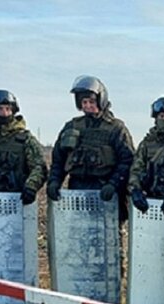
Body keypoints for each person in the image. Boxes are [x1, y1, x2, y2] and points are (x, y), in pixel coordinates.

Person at [48, 75, 134, 220]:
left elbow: (127, 160)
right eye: (84, 102)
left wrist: (114, 184)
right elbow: (59, 159)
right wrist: (55, 181)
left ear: (101, 100)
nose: (88, 106)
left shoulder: (115, 128)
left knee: (108, 230)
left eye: (91, 102)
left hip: (105, 190)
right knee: (78, 229)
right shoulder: (72, 126)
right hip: (77, 189)